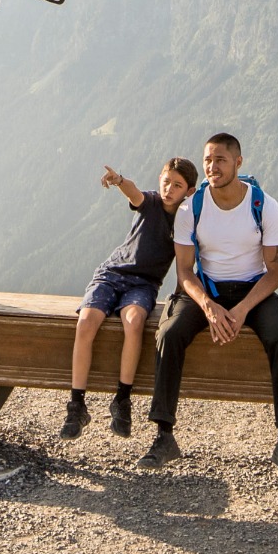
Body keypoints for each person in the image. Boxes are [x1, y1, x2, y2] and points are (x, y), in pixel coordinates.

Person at [146, 131, 278, 470]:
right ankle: (163, 434)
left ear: (238, 162)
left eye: (220, 160)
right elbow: (185, 271)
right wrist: (208, 307)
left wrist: (243, 309)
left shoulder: (265, 206)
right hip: (206, 288)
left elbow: (275, 273)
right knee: (168, 334)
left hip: (254, 291)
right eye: (207, 160)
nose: (212, 167)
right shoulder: (192, 208)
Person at [67, 158, 195, 437]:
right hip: (111, 274)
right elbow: (135, 192)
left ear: (189, 190)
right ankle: (76, 404)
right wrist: (119, 180)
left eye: (177, 185)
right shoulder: (150, 202)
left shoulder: (187, 219)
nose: (169, 189)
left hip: (145, 284)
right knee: (86, 322)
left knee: (135, 321)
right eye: (166, 181)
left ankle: (122, 400)